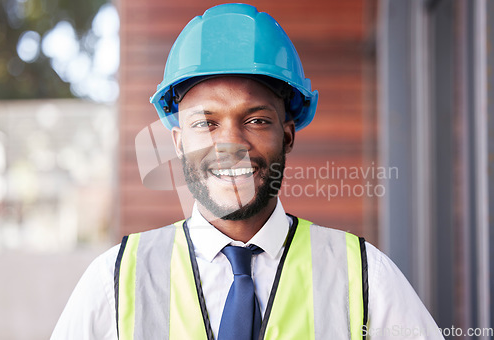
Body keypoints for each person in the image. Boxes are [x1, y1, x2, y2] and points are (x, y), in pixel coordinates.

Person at [51, 4, 444, 340]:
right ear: (178, 142)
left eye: (256, 120)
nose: (231, 144)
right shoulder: (115, 282)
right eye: (206, 124)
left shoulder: (365, 277)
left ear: (287, 135)